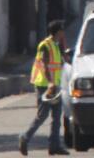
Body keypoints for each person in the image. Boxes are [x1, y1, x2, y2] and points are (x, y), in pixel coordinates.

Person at [20, 19, 67, 155]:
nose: (64, 32)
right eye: (62, 30)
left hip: (55, 85)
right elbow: (44, 65)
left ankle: (54, 146)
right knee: (43, 115)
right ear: (57, 31)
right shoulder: (44, 45)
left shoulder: (56, 45)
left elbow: (58, 64)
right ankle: (25, 137)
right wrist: (51, 82)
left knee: (57, 116)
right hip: (44, 86)